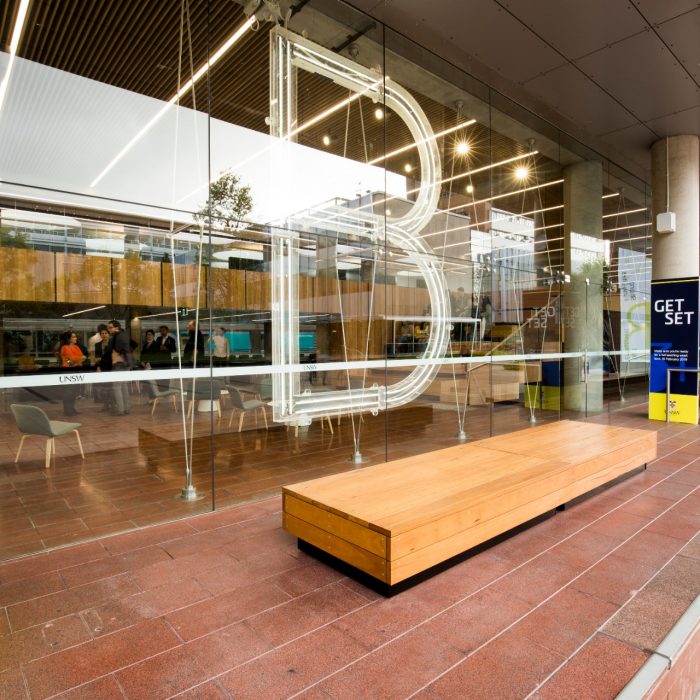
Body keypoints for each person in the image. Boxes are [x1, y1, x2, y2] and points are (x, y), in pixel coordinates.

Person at [106, 320, 132, 415]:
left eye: (110, 327)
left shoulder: (116, 337)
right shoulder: (124, 335)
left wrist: (117, 356)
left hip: (118, 364)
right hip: (125, 364)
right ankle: (126, 408)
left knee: (117, 387)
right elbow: (132, 345)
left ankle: (120, 410)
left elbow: (111, 350)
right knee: (124, 387)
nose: (109, 330)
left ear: (117, 327)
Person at [59, 331, 86, 416]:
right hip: (68, 370)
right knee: (68, 391)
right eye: (73, 337)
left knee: (74, 390)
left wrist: (76, 360)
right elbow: (68, 361)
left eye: (75, 336)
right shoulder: (64, 347)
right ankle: (67, 410)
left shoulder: (77, 347)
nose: (76, 338)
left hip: (76, 370)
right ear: (69, 339)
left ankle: (72, 408)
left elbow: (83, 357)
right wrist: (76, 360)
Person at [94, 326, 113, 411]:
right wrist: (98, 367)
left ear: (108, 334)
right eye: (102, 333)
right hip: (102, 368)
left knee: (111, 388)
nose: (104, 335)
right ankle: (106, 405)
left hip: (111, 368)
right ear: (100, 335)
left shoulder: (113, 344)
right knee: (104, 388)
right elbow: (97, 357)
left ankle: (112, 404)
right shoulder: (97, 345)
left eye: (106, 333)